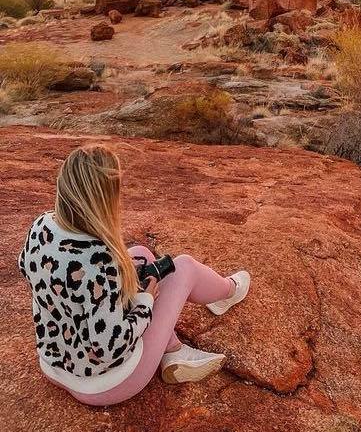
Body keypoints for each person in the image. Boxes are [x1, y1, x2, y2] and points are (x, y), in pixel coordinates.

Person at [18, 144, 250, 406]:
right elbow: (109, 347)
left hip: (54, 362)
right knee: (184, 267)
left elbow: (28, 269)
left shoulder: (41, 225)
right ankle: (229, 292)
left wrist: (111, 287)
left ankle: (172, 350)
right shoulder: (100, 261)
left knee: (140, 255)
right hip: (104, 381)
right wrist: (145, 302)